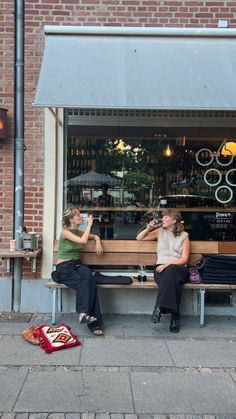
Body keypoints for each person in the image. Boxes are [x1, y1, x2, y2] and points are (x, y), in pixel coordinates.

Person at [51, 207, 104, 336]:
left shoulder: (78, 231)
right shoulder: (65, 232)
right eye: (79, 215)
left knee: (90, 278)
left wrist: (98, 242)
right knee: (85, 282)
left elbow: (94, 236)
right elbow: (83, 241)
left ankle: (87, 317)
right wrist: (90, 224)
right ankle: (87, 317)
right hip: (64, 268)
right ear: (71, 219)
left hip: (76, 265)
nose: (82, 217)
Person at [136, 209, 190, 333]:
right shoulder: (159, 232)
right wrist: (148, 228)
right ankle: (175, 317)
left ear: (174, 220)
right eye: (163, 217)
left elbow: (184, 259)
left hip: (179, 269)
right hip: (161, 270)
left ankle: (159, 307)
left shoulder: (184, 236)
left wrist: (167, 264)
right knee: (173, 282)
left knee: (171, 271)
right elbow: (139, 238)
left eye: (166, 217)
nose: (163, 219)